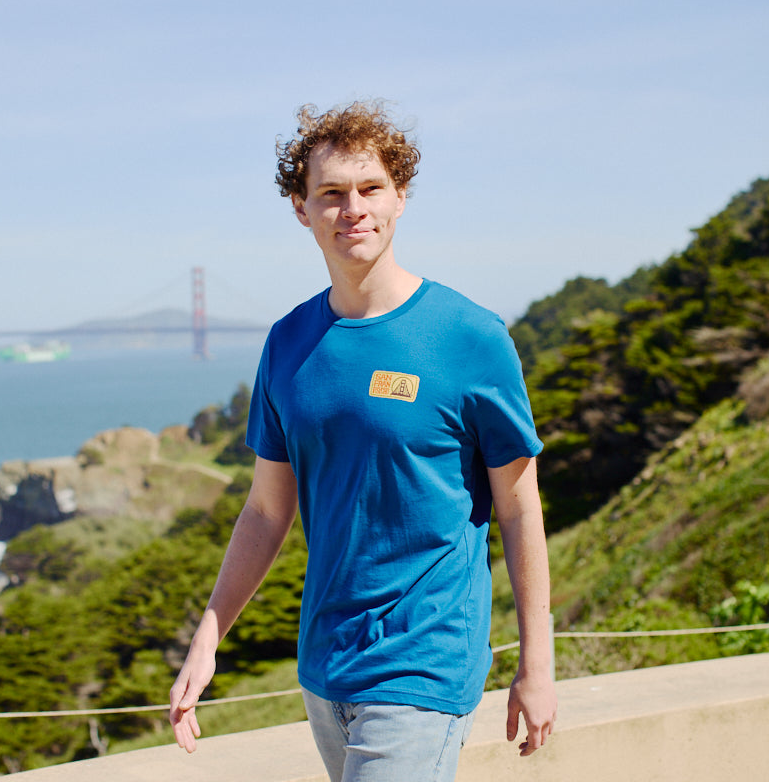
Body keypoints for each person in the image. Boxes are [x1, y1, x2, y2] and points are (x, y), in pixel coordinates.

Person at [169, 100, 557, 781]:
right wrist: (209, 637)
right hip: (324, 664)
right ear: (302, 208)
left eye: (371, 188)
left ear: (400, 196)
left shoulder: (469, 337)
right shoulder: (287, 343)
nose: (354, 208)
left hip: (423, 661)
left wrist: (537, 664)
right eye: (331, 194)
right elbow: (266, 510)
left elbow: (520, 508)